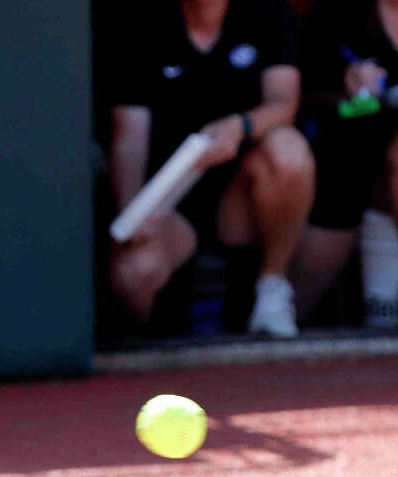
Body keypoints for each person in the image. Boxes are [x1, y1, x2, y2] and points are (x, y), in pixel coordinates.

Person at [105, 0, 316, 338]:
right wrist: (134, 214)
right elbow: (128, 137)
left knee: (288, 150)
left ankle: (271, 287)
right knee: (131, 274)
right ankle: (140, 359)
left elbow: (284, 104)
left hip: (241, 196)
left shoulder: (267, 11)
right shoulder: (139, 21)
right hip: (171, 202)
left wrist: (239, 126)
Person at [289, 0, 398, 319]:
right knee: (291, 315)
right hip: (345, 170)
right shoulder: (338, 14)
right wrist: (355, 98)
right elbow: (303, 102)